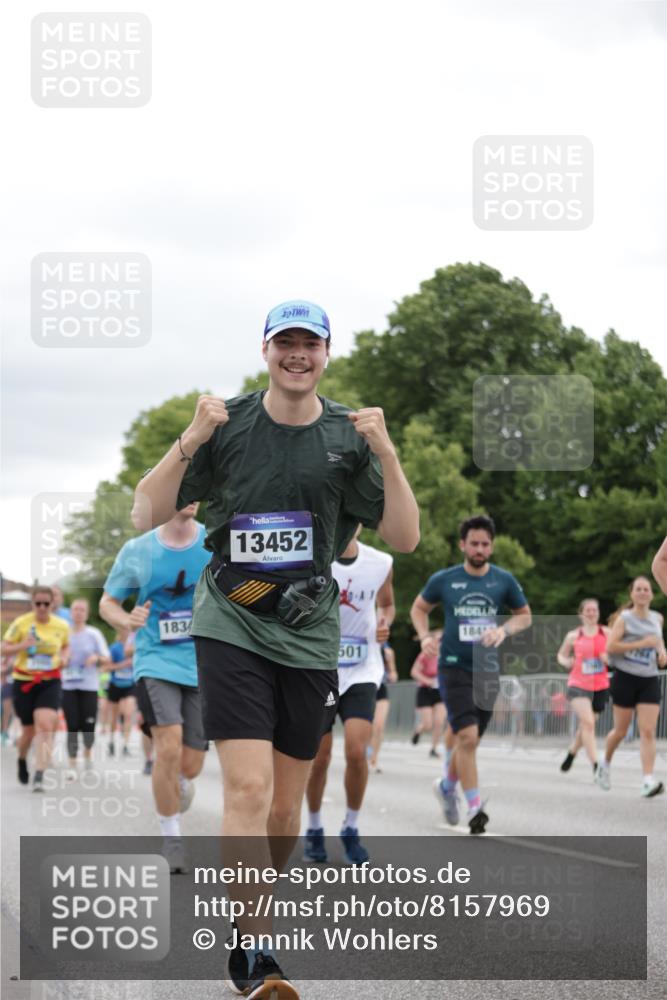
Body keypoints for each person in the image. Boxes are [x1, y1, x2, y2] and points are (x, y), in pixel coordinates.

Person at [133, 299, 419, 999]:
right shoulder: (229, 424)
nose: (297, 355)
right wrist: (190, 437)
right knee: (250, 789)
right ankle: (255, 946)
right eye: (284, 342)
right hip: (229, 620)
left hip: (309, 631)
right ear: (265, 350)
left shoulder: (351, 437)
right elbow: (144, 509)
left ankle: (253, 920)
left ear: (326, 353)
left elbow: (405, 537)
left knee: (286, 811)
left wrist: (385, 450)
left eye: (309, 344)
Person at [100, 503, 210, 872]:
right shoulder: (138, 551)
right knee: (167, 745)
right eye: (180, 488)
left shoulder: (214, 541)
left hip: (205, 663)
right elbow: (108, 603)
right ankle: (172, 838)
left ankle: (178, 780)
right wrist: (126, 619)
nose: (190, 495)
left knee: (191, 764)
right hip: (154, 660)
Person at [410, 514, 531, 834]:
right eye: (474, 543)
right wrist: (424, 637)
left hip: (488, 669)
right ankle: (475, 806)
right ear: (462, 544)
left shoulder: (503, 580)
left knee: (471, 742)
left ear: (491, 547)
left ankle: (447, 787)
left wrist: (504, 631)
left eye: (485, 544)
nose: (479, 548)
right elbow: (418, 608)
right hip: (452, 666)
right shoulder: (445, 580)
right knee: (466, 736)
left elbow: (525, 616)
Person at [304, 527, 394, 864]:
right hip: (320, 670)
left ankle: (351, 827)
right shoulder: (314, 561)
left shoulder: (380, 561)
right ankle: (313, 827)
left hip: (362, 670)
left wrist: (386, 622)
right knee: (320, 757)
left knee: (357, 752)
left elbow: (387, 604)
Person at [596, 576, 666, 796]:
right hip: (625, 677)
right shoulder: (625, 618)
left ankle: (647, 779)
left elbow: (658, 641)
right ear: (632, 594)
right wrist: (641, 644)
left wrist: (662, 653)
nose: (643, 592)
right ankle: (604, 764)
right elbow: (611, 646)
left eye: (647, 589)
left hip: (649, 678)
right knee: (621, 731)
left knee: (647, 730)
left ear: (652, 595)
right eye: (639, 589)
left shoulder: (657, 618)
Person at [1, 586, 69, 791]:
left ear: (52, 604)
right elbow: (3, 647)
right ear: (32, 604)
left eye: (45, 604)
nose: (41, 607)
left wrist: (64, 657)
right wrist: (22, 645)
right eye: (37, 603)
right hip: (24, 681)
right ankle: (22, 758)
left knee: (46, 724)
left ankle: (39, 773)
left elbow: (66, 645)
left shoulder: (62, 626)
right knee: (28, 732)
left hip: (50, 681)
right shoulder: (21, 623)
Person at [557, 598, 610, 776]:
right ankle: (597, 765)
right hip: (578, 684)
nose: (591, 613)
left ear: (598, 613)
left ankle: (572, 752)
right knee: (588, 723)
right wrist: (567, 661)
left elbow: (617, 654)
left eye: (594, 610)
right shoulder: (574, 636)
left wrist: (608, 659)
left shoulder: (607, 633)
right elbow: (561, 655)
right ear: (581, 614)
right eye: (588, 610)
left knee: (587, 725)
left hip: (600, 685)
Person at [61, 597, 111, 777]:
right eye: (75, 609)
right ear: (71, 612)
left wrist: (96, 658)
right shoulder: (63, 633)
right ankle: (72, 765)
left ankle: (88, 755)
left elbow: (106, 657)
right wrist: (63, 660)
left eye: (82, 610)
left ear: (87, 614)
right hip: (68, 685)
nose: (78, 613)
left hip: (89, 686)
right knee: (72, 725)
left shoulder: (94, 633)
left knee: (88, 726)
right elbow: (55, 655)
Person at [409, 629, 446, 757]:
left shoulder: (447, 655)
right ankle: (418, 731)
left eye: (443, 639)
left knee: (439, 721)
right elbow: (414, 672)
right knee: (428, 724)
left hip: (440, 691)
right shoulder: (426, 655)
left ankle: (434, 749)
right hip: (425, 690)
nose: (440, 642)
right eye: (439, 639)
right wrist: (428, 681)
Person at [107, 627, 137, 757]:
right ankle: (112, 741)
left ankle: (125, 745)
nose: (127, 632)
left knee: (129, 713)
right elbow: (107, 667)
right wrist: (123, 665)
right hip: (115, 684)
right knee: (114, 716)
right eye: (125, 630)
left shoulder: (136, 648)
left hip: (130, 684)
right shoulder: (114, 648)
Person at [369, 642, 398, 772]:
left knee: (379, 726)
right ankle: (364, 753)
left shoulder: (384, 647)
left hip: (380, 687)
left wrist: (392, 670)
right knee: (366, 726)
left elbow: (393, 674)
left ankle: (373, 759)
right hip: (362, 688)